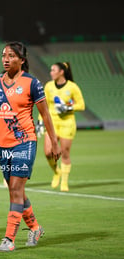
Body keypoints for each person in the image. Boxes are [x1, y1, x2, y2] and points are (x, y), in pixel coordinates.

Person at [0, 41, 61, 252]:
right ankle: (35, 228)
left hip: (25, 142)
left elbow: (45, 115)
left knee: (16, 189)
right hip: (2, 144)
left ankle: (9, 239)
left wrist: (53, 142)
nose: (6, 59)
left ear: (22, 60)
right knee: (14, 190)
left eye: (11, 56)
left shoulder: (32, 83)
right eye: (3, 55)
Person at [39, 62, 85, 192]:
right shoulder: (48, 86)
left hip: (67, 123)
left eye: (53, 70)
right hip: (52, 123)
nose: (51, 72)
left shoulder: (72, 87)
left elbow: (81, 105)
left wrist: (68, 107)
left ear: (61, 72)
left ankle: (64, 182)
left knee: (65, 153)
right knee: (48, 152)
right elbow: (44, 106)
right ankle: (56, 172)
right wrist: (40, 122)